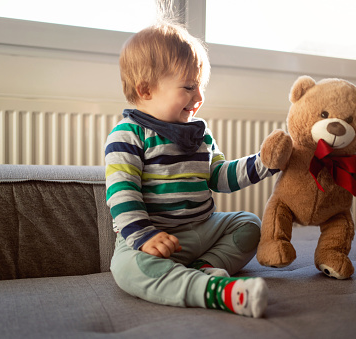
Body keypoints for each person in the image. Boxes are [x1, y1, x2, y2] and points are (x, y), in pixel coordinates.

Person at [105, 21, 278, 318]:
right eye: (188, 87)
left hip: (204, 229)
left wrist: (264, 163)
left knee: (249, 225)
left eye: (200, 86)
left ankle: (205, 267)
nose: (199, 97)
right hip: (157, 237)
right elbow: (122, 194)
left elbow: (220, 177)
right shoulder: (127, 136)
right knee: (127, 269)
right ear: (145, 89)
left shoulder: (200, 134)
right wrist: (145, 236)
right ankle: (215, 291)